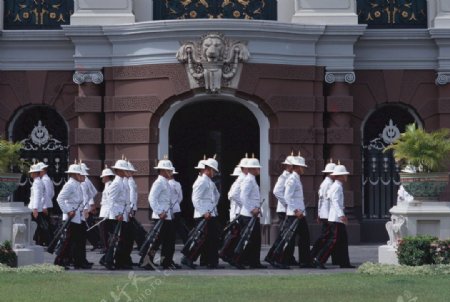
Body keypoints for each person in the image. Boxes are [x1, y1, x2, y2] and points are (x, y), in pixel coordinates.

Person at [182, 157, 222, 269]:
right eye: (213, 170)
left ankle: (209, 261)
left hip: (210, 213)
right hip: (204, 215)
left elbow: (216, 195)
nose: (215, 172)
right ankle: (188, 258)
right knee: (200, 239)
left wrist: (213, 207)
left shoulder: (209, 181)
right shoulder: (201, 181)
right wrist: (204, 212)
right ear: (207, 169)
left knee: (210, 239)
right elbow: (195, 199)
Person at [273, 153, 312, 269]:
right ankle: (281, 261)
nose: (304, 169)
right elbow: (287, 196)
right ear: (298, 167)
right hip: (295, 214)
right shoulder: (292, 179)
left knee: (304, 237)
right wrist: (295, 210)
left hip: (299, 213)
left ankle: (305, 261)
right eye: (302, 167)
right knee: (289, 239)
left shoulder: (295, 178)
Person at [314, 163, 354, 269]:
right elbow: (335, 201)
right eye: (344, 175)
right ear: (339, 176)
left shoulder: (335, 186)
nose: (346, 177)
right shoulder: (336, 187)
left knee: (342, 241)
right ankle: (320, 259)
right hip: (336, 218)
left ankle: (344, 262)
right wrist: (341, 215)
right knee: (334, 240)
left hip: (335, 218)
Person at [232, 156, 266, 269]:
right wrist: (252, 209)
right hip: (248, 215)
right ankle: (239, 260)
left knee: (255, 240)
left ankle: (254, 262)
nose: (259, 170)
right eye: (257, 168)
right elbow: (242, 196)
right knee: (248, 239)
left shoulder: (251, 180)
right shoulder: (248, 180)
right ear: (251, 169)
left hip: (251, 214)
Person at [146, 157, 179, 270]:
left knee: (169, 241)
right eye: (169, 170)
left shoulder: (166, 182)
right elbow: (152, 198)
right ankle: (147, 262)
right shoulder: (158, 182)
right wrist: (159, 212)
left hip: (167, 216)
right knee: (156, 241)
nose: (171, 172)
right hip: (161, 217)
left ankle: (166, 262)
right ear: (163, 170)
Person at [265, 153, 296, 265]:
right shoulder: (283, 177)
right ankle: (276, 256)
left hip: (288, 209)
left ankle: (288, 257)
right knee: (286, 235)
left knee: (289, 235)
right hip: (284, 210)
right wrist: (287, 204)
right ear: (290, 166)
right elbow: (276, 191)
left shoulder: (291, 176)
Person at [103, 159, 133, 270]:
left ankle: (119, 261)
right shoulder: (116, 183)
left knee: (122, 240)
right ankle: (109, 261)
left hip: (122, 213)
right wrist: (116, 214)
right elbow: (111, 200)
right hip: (117, 215)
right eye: (124, 169)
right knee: (115, 240)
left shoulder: (122, 182)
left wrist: (128, 211)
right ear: (119, 171)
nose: (126, 171)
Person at [55, 162, 86, 269]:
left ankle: (78, 261)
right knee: (68, 241)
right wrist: (67, 211)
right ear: (74, 174)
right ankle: (59, 261)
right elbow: (60, 199)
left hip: (77, 215)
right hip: (71, 216)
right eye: (80, 174)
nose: (82, 176)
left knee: (78, 240)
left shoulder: (77, 184)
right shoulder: (70, 184)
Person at [310, 160, 336, 260]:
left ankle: (313, 255)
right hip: (327, 214)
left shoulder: (328, 183)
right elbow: (323, 200)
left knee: (325, 237)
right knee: (324, 237)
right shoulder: (327, 184)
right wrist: (320, 214)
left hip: (326, 213)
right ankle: (314, 256)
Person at [28, 164, 47, 245]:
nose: (31, 174)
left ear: (36, 173)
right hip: (37, 207)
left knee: (34, 226)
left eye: (32, 172)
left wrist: (35, 208)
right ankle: (38, 241)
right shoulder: (39, 181)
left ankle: (36, 242)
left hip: (34, 208)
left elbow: (37, 196)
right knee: (37, 226)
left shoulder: (37, 183)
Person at [169, 169, 189, 243]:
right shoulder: (178, 184)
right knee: (179, 227)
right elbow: (180, 197)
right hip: (177, 208)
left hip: (169, 209)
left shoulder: (167, 184)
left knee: (170, 228)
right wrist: (176, 204)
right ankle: (186, 241)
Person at [98, 165, 115, 252]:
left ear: (107, 177)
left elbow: (109, 200)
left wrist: (107, 213)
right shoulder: (107, 185)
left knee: (104, 231)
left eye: (103, 176)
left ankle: (106, 247)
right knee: (104, 231)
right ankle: (106, 246)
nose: (102, 178)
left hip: (106, 212)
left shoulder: (110, 185)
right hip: (104, 211)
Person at [38, 162, 55, 244]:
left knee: (45, 225)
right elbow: (52, 194)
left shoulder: (45, 180)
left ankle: (50, 241)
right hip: (44, 205)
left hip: (45, 206)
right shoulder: (45, 179)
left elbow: (47, 194)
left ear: (43, 171)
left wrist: (44, 206)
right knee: (43, 224)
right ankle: (43, 241)